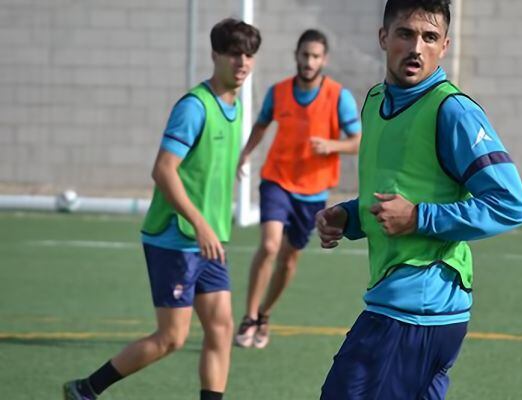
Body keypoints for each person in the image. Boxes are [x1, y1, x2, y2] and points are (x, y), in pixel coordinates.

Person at [314, 0, 522, 398]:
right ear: (383, 37)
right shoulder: (376, 102)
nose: (417, 47)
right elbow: (399, 195)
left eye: (429, 37)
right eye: (405, 34)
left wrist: (420, 218)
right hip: (411, 308)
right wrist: (349, 217)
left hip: (417, 309)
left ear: (444, 45)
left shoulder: (454, 112)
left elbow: (510, 203)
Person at [62, 18, 261, 400]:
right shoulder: (194, 107)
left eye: (249, 55)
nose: (242, 63)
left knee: (220, 328)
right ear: (215, 55)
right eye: (234, 53)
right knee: (172, 337)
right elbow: (163, 170)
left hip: (210, 239)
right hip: (176, 237)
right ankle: (86, 389)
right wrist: (200, 223)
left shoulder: (235, 107)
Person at [234, 29, 361, 349]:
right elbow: (262, 124)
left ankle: (264, 314)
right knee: (270, 245)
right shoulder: (279, 92)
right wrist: (246, 152)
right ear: (296, 56)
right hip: (277, 180)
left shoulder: (338, 96)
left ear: (324, 59)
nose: (309, 61)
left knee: (289, 260)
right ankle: (248, 316)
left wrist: (331, 144)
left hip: (313, 190)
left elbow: (359, 141)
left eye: (315, 56)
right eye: (304, 55)